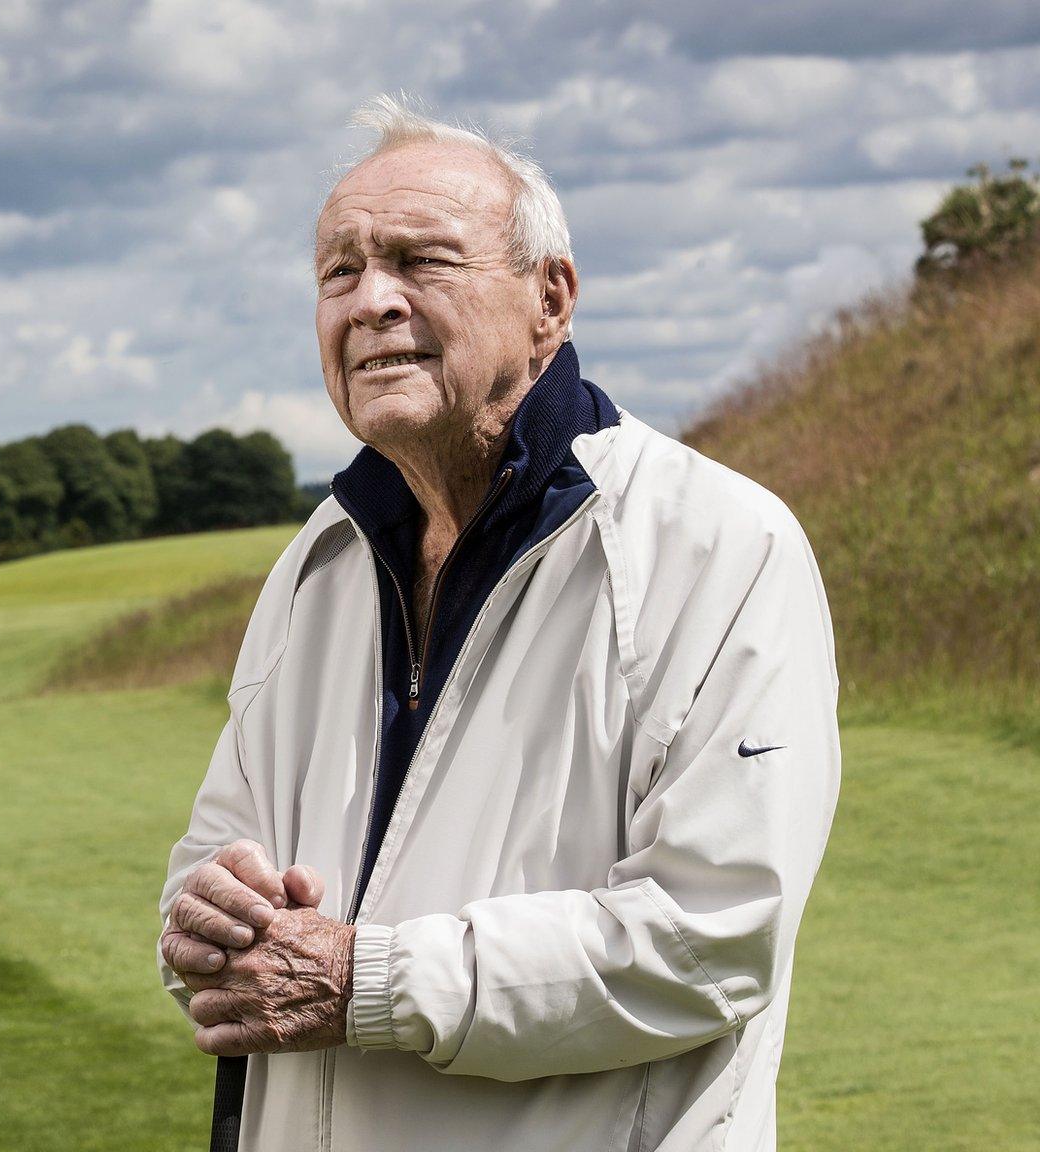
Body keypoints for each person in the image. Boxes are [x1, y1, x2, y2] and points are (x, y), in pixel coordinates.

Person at [156, 94, 842, 1152]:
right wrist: (203, 920)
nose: (370, 301)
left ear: (548, 299)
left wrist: (365, 982)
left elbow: (709, 939)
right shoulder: (317, 562)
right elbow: (213, 854)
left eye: (419, 260)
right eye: (339, 272)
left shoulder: (718, 545)